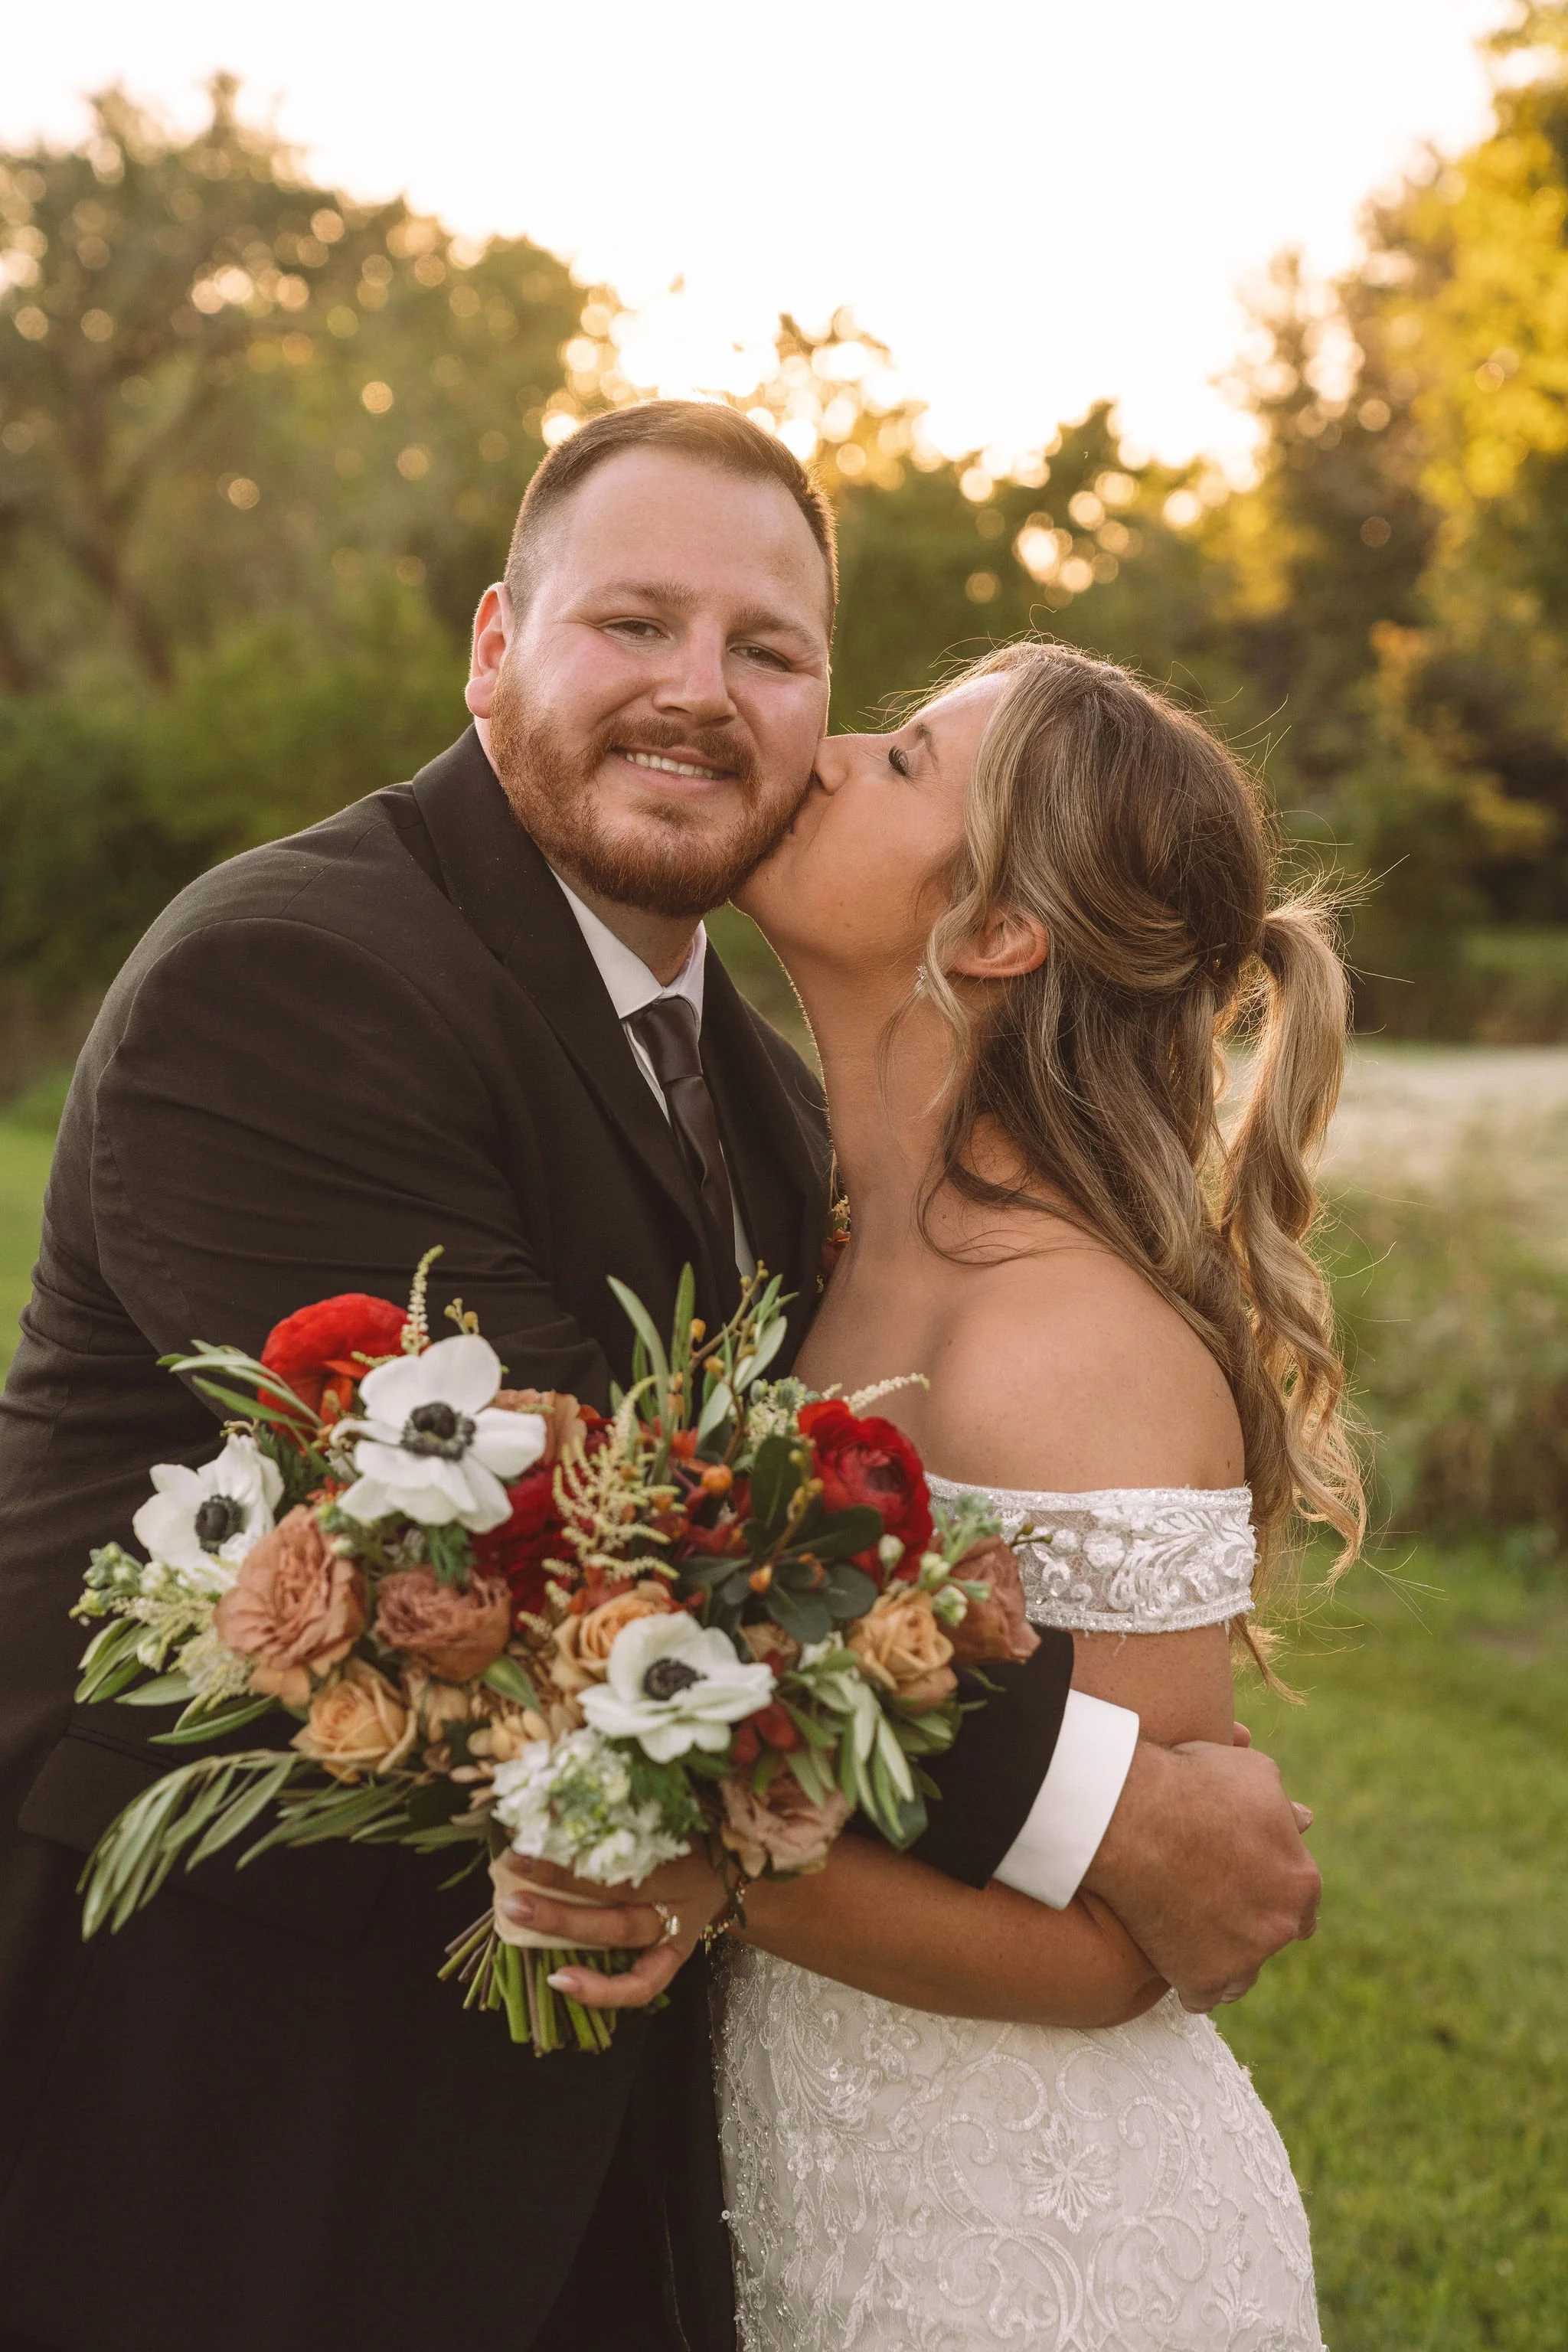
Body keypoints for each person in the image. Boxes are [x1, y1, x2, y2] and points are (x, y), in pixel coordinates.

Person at [0, 404, 1318, 2352]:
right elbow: (551, 1533)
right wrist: (1108, 1813)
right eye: (631, 624)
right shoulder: (296, 973)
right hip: (245, 2095)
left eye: (772, 656)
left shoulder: (788, 1119)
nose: (699, 695)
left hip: (623, 2129)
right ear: (491, 645)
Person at [706, 639, 1363, 2349]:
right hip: (800, 2185)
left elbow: (1134, 1939)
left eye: (907, 761)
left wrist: (683, 1865)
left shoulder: (1068, 1341)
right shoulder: (814, 1242)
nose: (830, 754)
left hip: (1020, 2250)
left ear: (994, 933)